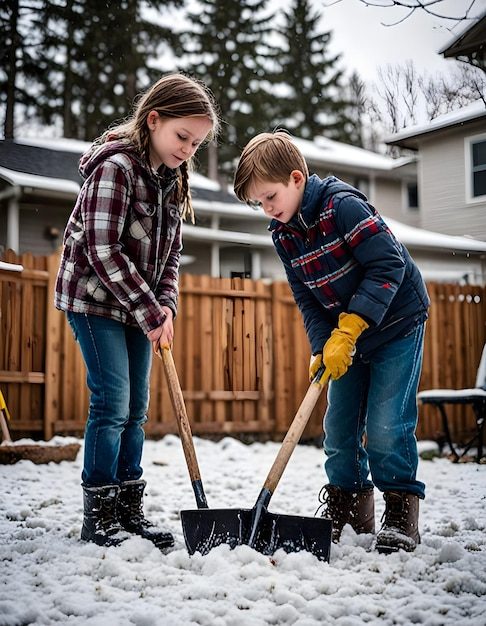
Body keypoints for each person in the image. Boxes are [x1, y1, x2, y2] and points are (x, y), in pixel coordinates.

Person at [233, 130, 430, 553]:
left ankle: (400, 511)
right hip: (345, 335)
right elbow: (307, 296)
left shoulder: (343, 207)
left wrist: (352, 326)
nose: (267, 209)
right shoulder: (283, 234)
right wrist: (324, 343)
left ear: (297, 178)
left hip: (397, 322)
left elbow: (387, 266)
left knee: (385, 426)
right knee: (338, 430)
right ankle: (349, 510)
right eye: (259, 204)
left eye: (270, 197)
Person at [55, 74, 219, 547]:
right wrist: (151, 310)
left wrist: (165, 305)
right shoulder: (117, 168)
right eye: (182, 136)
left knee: (137, 411)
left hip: (136, 306)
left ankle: (128, 510)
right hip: (92, 299)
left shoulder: (173, 180)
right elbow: (104, 249)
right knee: (112, 404)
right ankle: (99, 514)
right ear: (153, 121)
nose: (188, 149)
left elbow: (170, 255)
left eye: (198, 142)